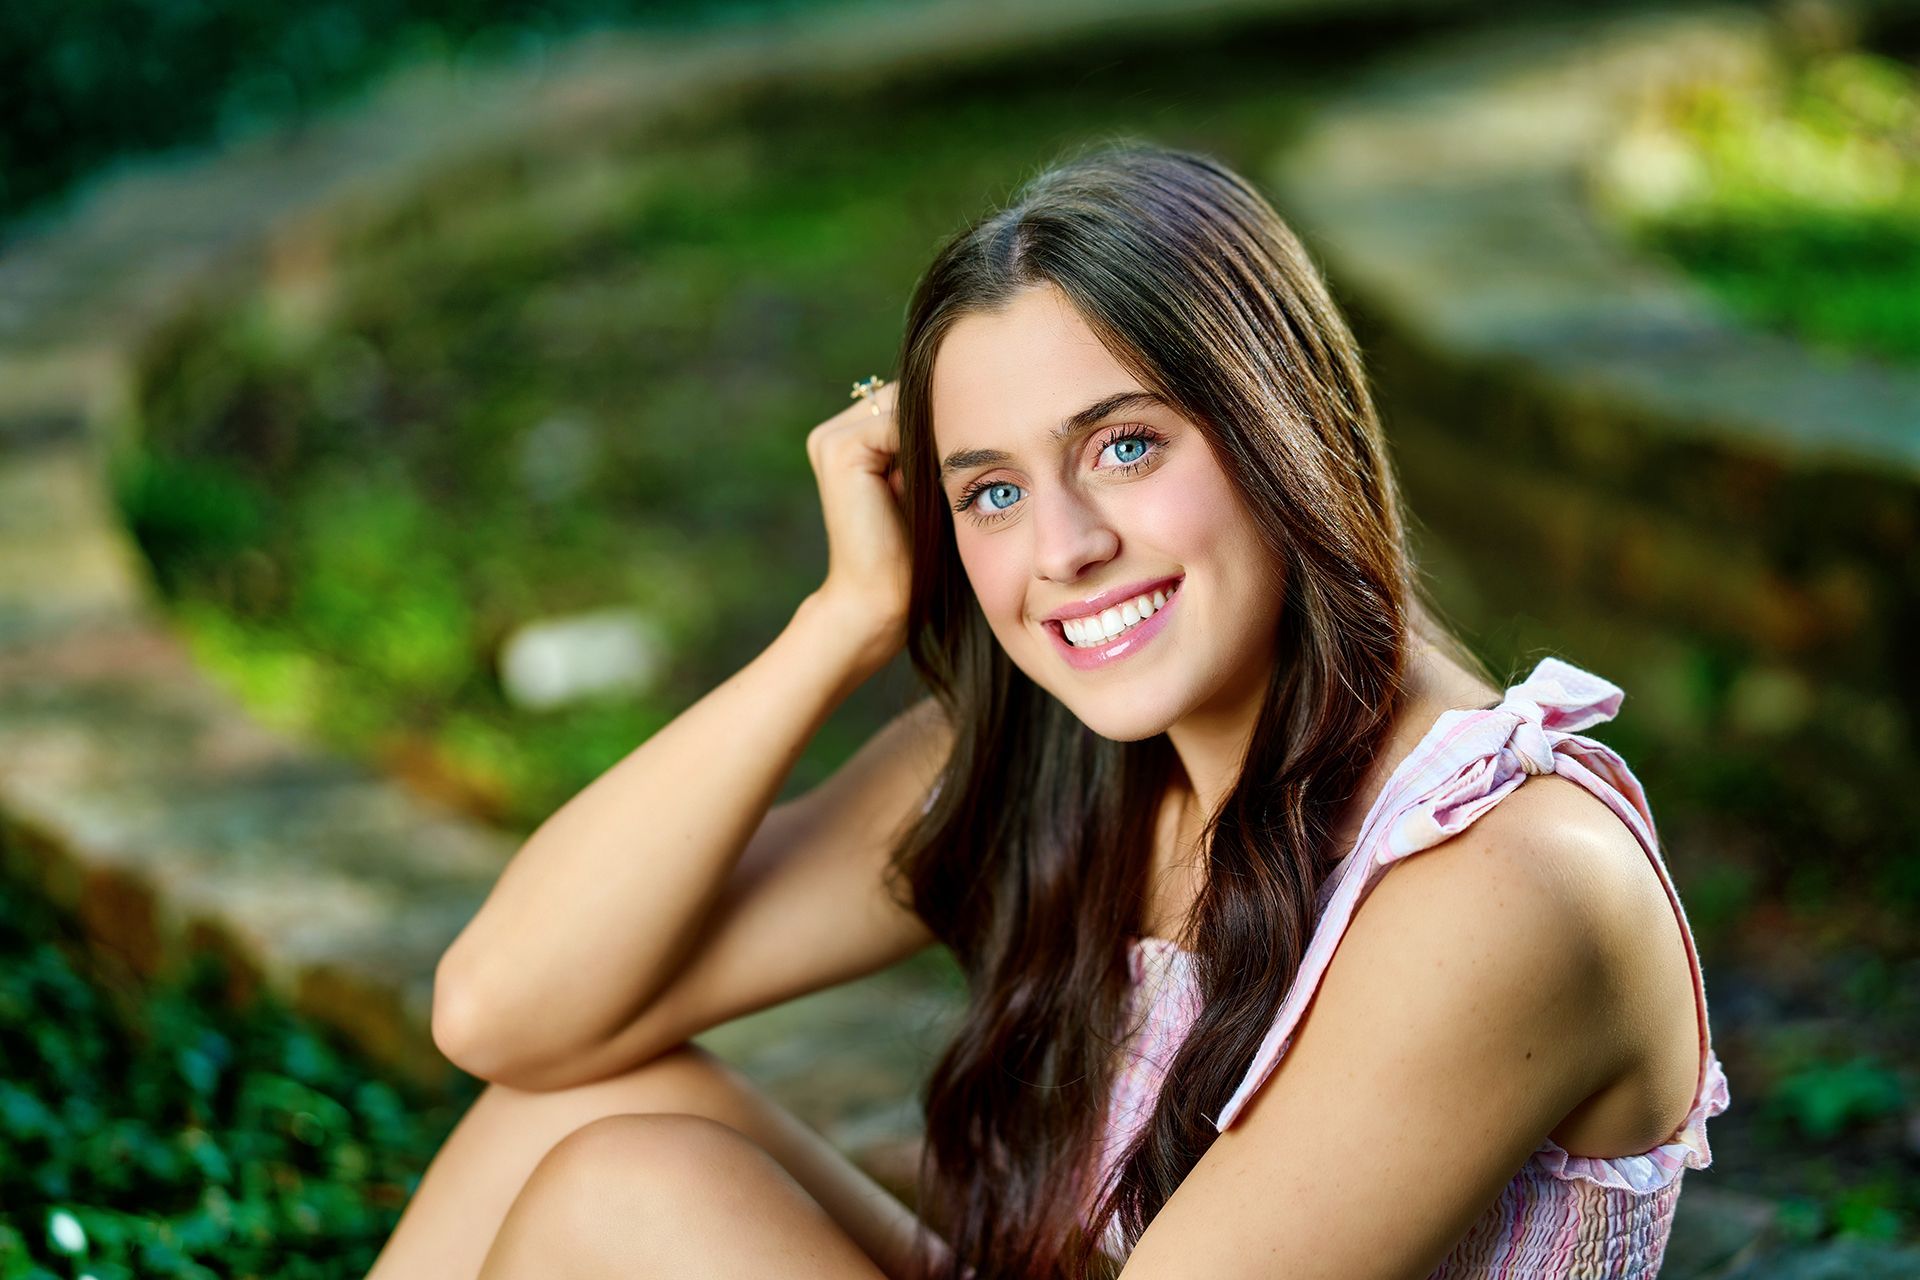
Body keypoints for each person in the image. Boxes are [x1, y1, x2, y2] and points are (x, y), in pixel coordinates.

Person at [367, 138, 1728, 1280]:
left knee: (631, 1198)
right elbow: (509, 1016)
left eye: (1125, 445)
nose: (1064, 547)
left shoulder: (1507, 877)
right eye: (991, 490)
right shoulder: (1073, 757)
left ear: (1281, 424)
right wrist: (836, 624)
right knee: (586, 1111)